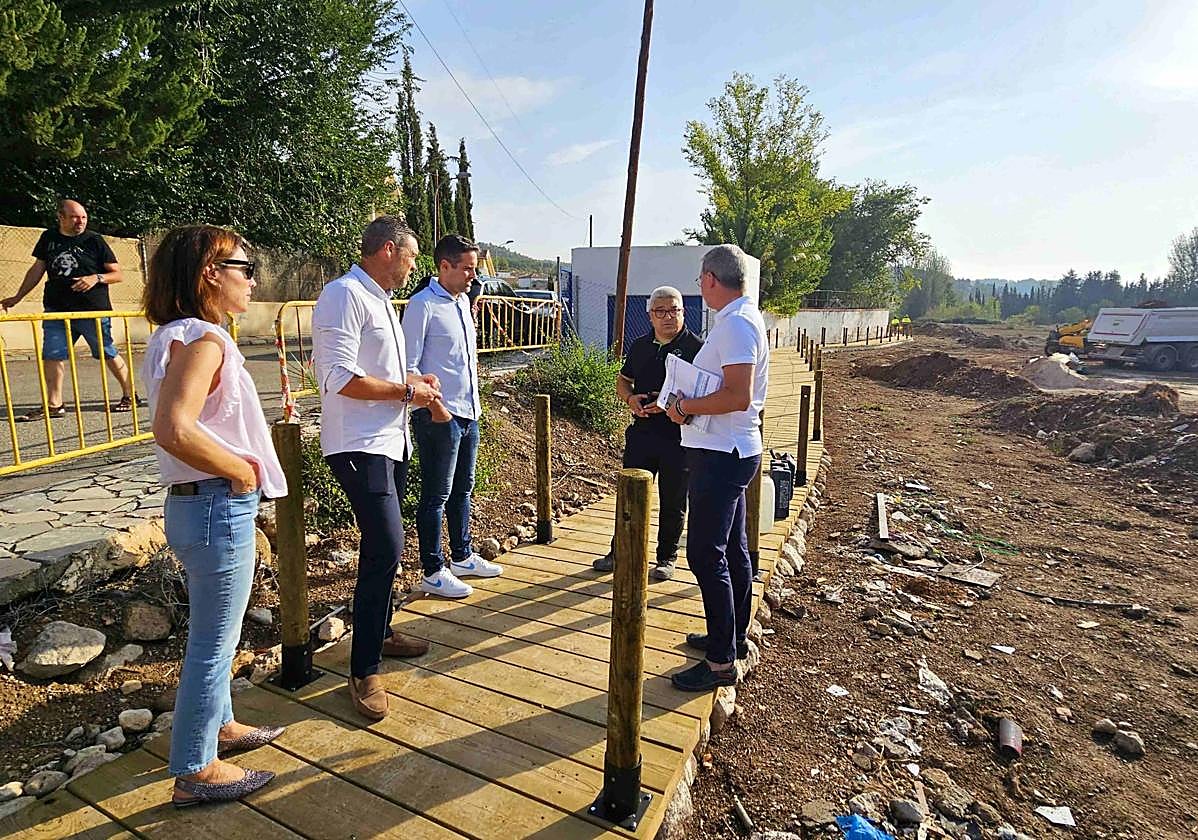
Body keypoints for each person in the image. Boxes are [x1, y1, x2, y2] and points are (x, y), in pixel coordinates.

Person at [142, 225, 288, 806]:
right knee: (213, 641)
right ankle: (196, 767)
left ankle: (221, 726)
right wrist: (243, 470)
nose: (251, 278)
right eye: (243, 267)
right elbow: (174, 428)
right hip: (215, 504)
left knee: (215, 635)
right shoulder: (206, 340)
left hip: (196, 506)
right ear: (210, 273)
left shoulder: (171, 337)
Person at [311, 216, 441, 722]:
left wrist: (412, 381)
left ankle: (381, 633)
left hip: (390, 441)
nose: (413, 268)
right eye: (410, 258)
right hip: (357, 444)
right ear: (388, 250)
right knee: (385, 543)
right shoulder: (343, 295)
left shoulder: (380, 300)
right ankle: (362, 667)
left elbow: (377, 373)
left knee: (391, 542)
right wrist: (409, 392)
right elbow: (340, 377)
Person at [665, 244, 769, 692]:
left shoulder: (736, 325)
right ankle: (731, 637)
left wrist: (685, 405)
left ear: (709, 279)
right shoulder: (742, 318)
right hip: (730, 450)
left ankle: (722, 662)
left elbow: (737, 395)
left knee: (705, 555)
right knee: (731, 549)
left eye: (699, 282)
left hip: (722, 454)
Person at [403, 234, 503, 599]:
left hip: (469, 413)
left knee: (463, 490)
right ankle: (433, 568)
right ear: (444, 266)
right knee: (436, 496)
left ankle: (462, 555)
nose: (473, 277)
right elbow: (407, 367)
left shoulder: (461, 303)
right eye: (467, 269)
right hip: (439, 417)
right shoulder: (422, 306)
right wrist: (437, 408)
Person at [593, 286, 701, 581]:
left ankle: (667, 557)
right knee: (630, 497)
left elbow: (705, 394)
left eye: (674, 310)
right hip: (642, 433)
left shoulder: (697, 348)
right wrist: (631, 400)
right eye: (660, 311)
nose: (668, 317)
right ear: (650, 315)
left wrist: (670, 406)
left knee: (673, 500)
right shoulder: (640, 345)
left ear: (683, 311)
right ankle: (620, 551)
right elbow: (623, 381)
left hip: (680, 437)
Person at [1, 200, 137, 420]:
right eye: (74, 217)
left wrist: (96, 278)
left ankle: (130, 394)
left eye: (83, 217)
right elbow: (38, 269)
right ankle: (54, 405)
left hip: (92, 310)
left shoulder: (94, 240)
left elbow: (117, 274)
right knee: (52, 354)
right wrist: (18, 297)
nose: (80, 222)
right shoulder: (49, 238)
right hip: (57, 309)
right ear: (61, 217)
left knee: (106, 352)